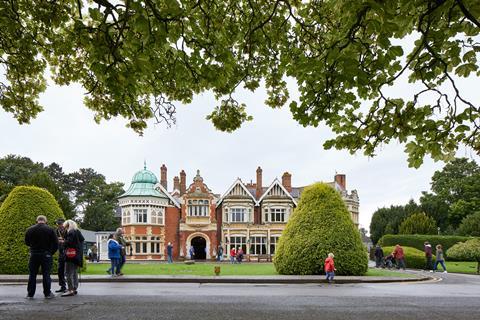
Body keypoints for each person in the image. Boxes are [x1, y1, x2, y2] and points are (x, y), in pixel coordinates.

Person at [25, 215, 58, 299]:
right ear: (45, 221)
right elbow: (55, 243)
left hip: (34, 254)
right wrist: (50, 253)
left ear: (37, 220)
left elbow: (27, 242)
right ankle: (47, 293)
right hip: (46, 254)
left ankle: (30, 294)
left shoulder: (30, 229)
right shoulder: (50, 230)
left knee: (32, 274)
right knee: (46, 274)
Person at [62, 220, 84, 297]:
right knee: (74, 273)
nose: (64, 228)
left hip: (70, 255)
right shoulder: (77, 232)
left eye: (65, 227)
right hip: (77, 255)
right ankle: (74, 288)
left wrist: (62, 242)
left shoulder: (71, 232)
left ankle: (70, 289)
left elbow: (69, 243)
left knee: (68, 273)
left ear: (68, 226)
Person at [55, 218, 67, 293]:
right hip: (61, 252)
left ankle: (71, 287)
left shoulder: (68, 230)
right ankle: (62, 286)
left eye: (60, 224)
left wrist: (63, 240)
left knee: (69, 271)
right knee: (60, 270)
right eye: (58, 224)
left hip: (68, 252)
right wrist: (57, 239)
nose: (59, 225)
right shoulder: (56, 231)